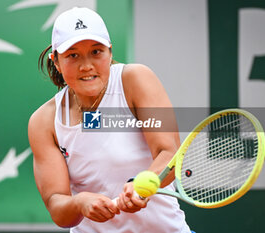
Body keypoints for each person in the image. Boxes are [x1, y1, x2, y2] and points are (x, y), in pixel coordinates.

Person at [28, 6, 192, 233]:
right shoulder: (43, 121)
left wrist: (142, 185)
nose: (87, 65)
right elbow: (57, 206)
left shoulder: (136, 80)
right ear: (56, 61)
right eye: (73, 55)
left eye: (96, 52)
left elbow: (170, 153)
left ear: (110, 52)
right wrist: (79, 202)